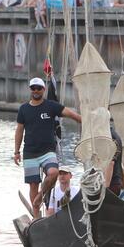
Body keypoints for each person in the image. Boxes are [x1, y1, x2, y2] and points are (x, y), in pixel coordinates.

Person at [14, 77, 82, 218]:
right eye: (33, 88)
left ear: (44, 90)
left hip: (48, 151)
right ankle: (36, 217)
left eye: (39, 88)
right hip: (30, 152)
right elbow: (19, 130)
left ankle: (40, 196)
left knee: (53, 173)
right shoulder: (24, 109)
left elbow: (70, 114)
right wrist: (16, 151)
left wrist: (85, 120)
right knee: (33, 184)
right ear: (31, 90)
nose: (36, 91)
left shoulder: (51, 106)